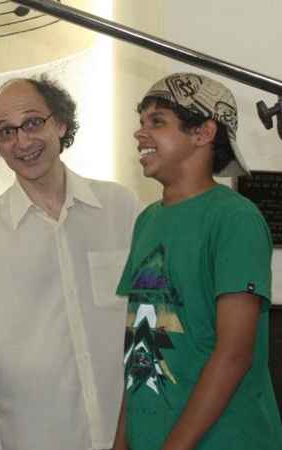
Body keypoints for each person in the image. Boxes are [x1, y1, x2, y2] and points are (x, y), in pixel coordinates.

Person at [0, 76, 142, 450]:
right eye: (6, 132)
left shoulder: (121, 208)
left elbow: (155, 316)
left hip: (132, 431)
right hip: (37, 438)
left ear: (59, 123)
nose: (23, 141)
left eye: (32, 123)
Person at [112, 72, 282, 450]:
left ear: (203, 133)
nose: (140, 134)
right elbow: (141, 343)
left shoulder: (236, 218)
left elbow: (234, 354)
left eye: (157, 122)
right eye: (141, 123)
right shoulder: (147, 220)